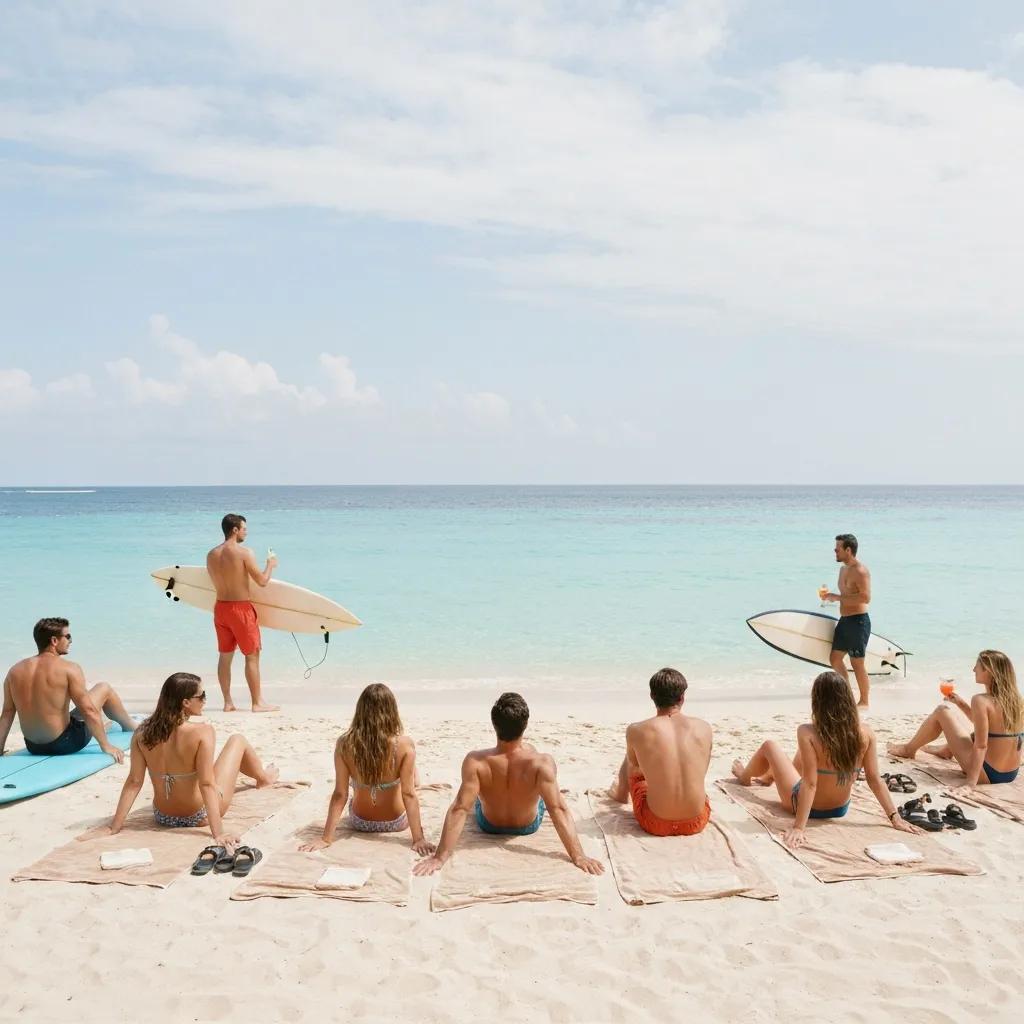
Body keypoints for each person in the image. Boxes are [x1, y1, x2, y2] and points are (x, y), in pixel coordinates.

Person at [413, 692, 603, 876]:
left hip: (489, 825)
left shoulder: (475, 761)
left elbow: (459, 809)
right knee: (537, 762)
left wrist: (439, 857)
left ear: (494, 724)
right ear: (525, 725)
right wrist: (578, 856)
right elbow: (558, 809)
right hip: (527, 826)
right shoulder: (542, 763)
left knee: (472, 794)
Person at [732, 670, 920, 847]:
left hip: (804, 806)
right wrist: (895, 817)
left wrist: (799, 827)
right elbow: (874, 779)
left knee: (769, 746)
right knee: (803, 755)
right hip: (840, 808)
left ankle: (745, 777)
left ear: (818, 701)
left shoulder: (807, 732)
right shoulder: (866, 733)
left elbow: (810, 784)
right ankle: (769, 776)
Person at [104, 672, 278, 846]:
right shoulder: (202, 732)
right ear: (186, 702)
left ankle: (262, 776)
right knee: (237, 740)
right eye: (202, 696)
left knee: (212, 772)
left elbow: (134, 782)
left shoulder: (141, 733)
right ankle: (263, 779)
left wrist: (114, 827)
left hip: (163, 816)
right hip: (198, 816)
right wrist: (219, 834)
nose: (205, 701)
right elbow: (206, 784)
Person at [299, 683, 433, 855]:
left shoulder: (344, 744)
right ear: (392, 710)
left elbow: (340, 794)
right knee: (410, 775)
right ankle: (415, 777)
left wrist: (326, 838)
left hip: (360, 822)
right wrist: (418, 839)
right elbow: (409, 794)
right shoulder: (404, 744)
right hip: (396, 822)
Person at [0, 618, 134, 761]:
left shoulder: (14, 671)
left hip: (33, 747)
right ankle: (131, 727)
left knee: (74, 715)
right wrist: (106, 746)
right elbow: (88, 710)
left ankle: (109, 726)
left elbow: (7, 714)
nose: (70, 641)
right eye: (68, 636)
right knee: (104, 688)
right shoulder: (69, 668)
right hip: (65, 744)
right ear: (54, 641)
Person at [888, 650, 1023, 786]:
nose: (974, 670)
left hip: (986, 773)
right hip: (1010, 773)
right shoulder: (1018, 701)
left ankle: (908, 750)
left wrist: (970, 784)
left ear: (988, 670)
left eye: (977, 666)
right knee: (969, 728)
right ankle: (945, 751)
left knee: (942, 711)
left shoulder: (980, 700)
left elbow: (981, 746)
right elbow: (986, 725)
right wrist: (961, 704)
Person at [607, 667, 713, 836]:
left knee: (632, 760)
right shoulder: (704, 728)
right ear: (682, 697)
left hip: (655, 822)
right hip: (696, 821)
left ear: (652, 696)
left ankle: (620, 794)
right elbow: (703, 769)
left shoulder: (636, 730)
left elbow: (635, 767)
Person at [206, 513, 278, 712]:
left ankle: (228, 702)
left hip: (220, 608)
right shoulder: (244, 553)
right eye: (244, 529)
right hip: (241, 610)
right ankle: (257, 703)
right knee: (252, 655)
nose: (246, 532)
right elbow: (262, 581)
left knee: (225, 655)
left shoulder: (211, 555)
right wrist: (270, 565)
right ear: (235, 530)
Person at [821, 533, 872, 707]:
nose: (835, 551)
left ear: (848, 550)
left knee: (857, 663)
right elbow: (846, 594)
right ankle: (848, 697)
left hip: (858, 622)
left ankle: (864, 701)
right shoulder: (843, 569)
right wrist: (832, 597)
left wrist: (837, 598)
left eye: (838, 548)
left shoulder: (861, 571)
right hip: (845, 620)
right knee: (835, 659)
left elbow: (866, 598)